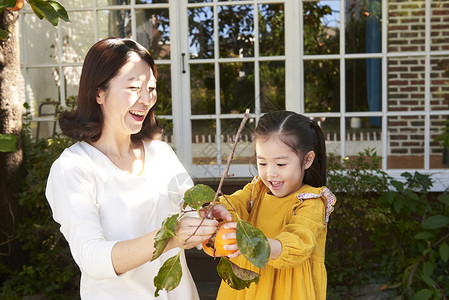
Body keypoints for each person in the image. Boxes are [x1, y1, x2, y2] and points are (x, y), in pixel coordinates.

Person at [45, 37, 219, 299]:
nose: (146, 98)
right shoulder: (74, 168)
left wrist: (212, 217)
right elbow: (93, 259)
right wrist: (169, 237)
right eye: (134, 87)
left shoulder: (161, 153)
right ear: (98, 92)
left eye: (151, 87)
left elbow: (193, 216)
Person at [208, 111, 337, 300]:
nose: (271, 173)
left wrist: (255, 243)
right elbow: (236, 203)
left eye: (281, 164)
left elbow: (298, 242)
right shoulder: (256, 190)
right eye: (262, 163)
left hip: (289, 290)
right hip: (247, 288)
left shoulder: (311, 201)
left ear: (307, 160)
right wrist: (222, 210)